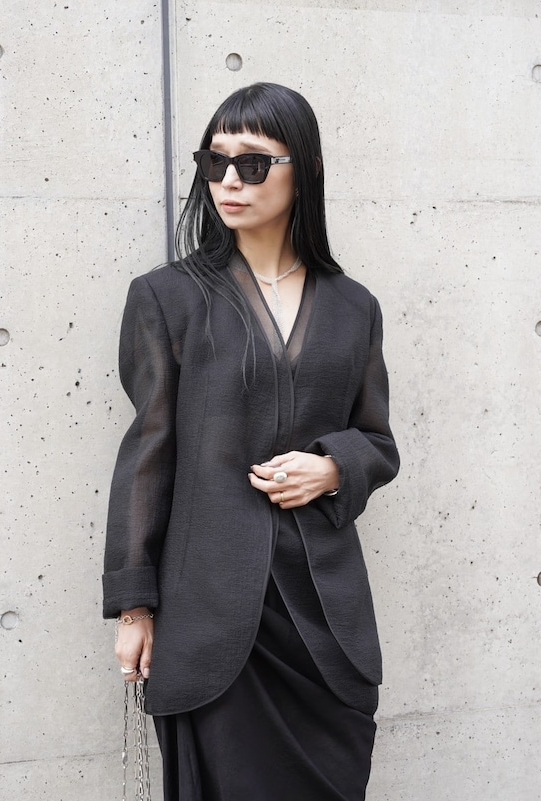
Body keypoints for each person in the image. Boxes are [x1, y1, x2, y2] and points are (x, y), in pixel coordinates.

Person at [103, 82, 400, 801]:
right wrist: (135, 607)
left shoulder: (354, 306)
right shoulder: (167, 297)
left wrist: (333, 468)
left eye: (254, 162)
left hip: (322, 624)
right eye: (216, 161)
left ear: (306, 171)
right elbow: (147, 454)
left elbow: (377, 441)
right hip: (208, 614)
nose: (229, 181)